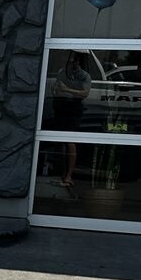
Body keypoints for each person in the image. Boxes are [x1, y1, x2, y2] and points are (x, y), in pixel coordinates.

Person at [52, 50, 92, 188]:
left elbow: (85, 93)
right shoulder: (62, 72)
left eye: (73, 61)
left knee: (70, 140)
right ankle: (60, 172)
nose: (71, 63)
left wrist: (67, 89)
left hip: (74, 108)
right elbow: (57, 88)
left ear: (78, 62)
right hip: (60, 106)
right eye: (69, 60)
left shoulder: (84, 76)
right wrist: (56, 90)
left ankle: (69, 174)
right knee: (60, 141)